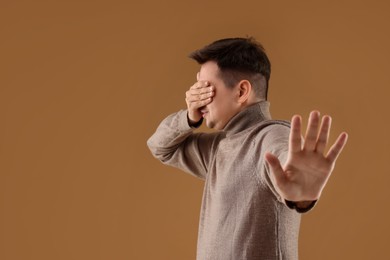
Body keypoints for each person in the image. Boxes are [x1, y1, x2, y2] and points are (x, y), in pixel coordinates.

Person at [147, 37, 348, 260]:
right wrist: (189, 116)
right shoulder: (217, 148)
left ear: (241, 91)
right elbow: (160, 147)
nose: (197, 97)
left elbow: (283, 158)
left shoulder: (272, 136)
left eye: (206, 87)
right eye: (196, 87)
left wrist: (300, 195)